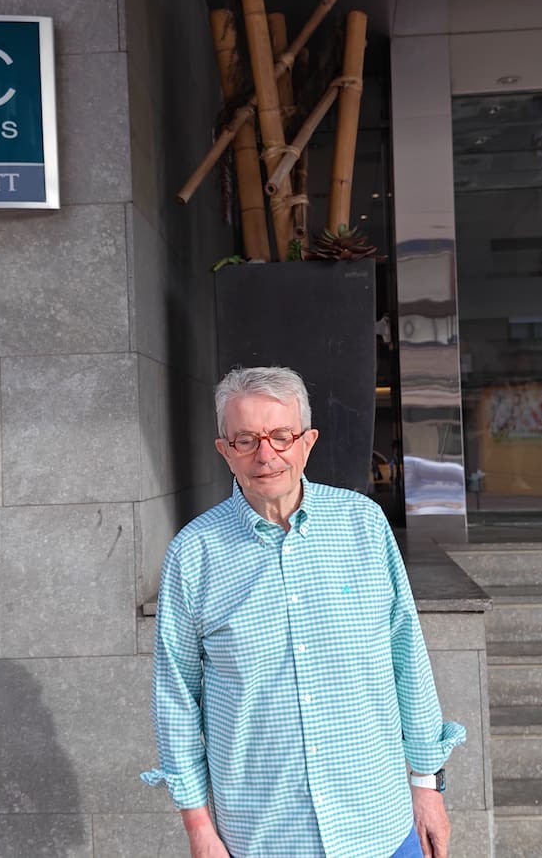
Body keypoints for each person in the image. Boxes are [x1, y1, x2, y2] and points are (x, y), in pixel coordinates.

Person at [142, 366, 465, 858]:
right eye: (246, 440)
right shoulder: (194, 553)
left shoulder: (363, 524)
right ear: (225, 450)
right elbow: (176, 698)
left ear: (307, 442)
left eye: (281, 436)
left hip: (378, 824)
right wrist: (199, 828)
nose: (265, 454)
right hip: (263, 836)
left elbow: (407, 658)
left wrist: (427, 786)